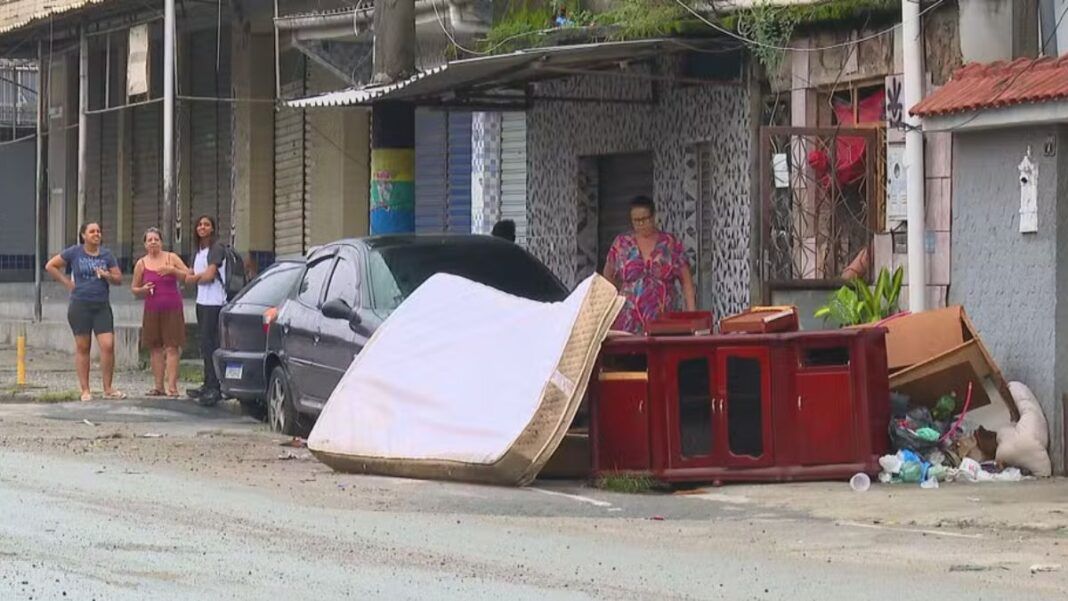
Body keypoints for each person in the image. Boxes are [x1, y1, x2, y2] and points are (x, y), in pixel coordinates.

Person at [45, 222, 126, 402]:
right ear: (83, 236)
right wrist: (68, 283)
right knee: (83, 347)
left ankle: (108, 388)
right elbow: (51, 265)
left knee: (108, 345)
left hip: (101, 305)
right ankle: (85, 390)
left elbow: (119, 279)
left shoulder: (107, 255)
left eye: (98, 231)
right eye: (92, 231)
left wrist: (107, 275)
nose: (96, 234)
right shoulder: (75, 252)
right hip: (80, 305)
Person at [602, 196, 697, 335]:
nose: (641, 224)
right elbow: (607, 279)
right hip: (627, 323)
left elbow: (686, 282)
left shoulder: (670, 243)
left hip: (664, 322)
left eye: (644, 219)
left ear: (653, 217)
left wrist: (691, 316)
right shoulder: (621, 244)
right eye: (636, 221)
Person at [131, 227, 189, 397]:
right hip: (152, 310)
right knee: (155, 348)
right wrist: (142, 289)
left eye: (156, 239)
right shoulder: (141, 263)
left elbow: (188, 274)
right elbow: (134, 288)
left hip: (172, 308)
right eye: (150, 240)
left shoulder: (171, 257)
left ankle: (172, 386)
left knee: (172, 347)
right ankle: (158, 387)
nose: (153, 242)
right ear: (145, 244)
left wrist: (173, 271)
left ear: (161, 242)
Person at [183, 215, 227, 406]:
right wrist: (193, 278)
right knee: (205, 345)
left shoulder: (216, 249)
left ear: (213, 229)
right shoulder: (198, 251)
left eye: (206, 225)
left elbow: (209, 276)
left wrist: (194, 279)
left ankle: (215, 387)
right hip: (202, 302)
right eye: (199, 224)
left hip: (215, 303)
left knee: (212, 344)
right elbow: (189, 275)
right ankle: (207, 382)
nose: (202, 227)